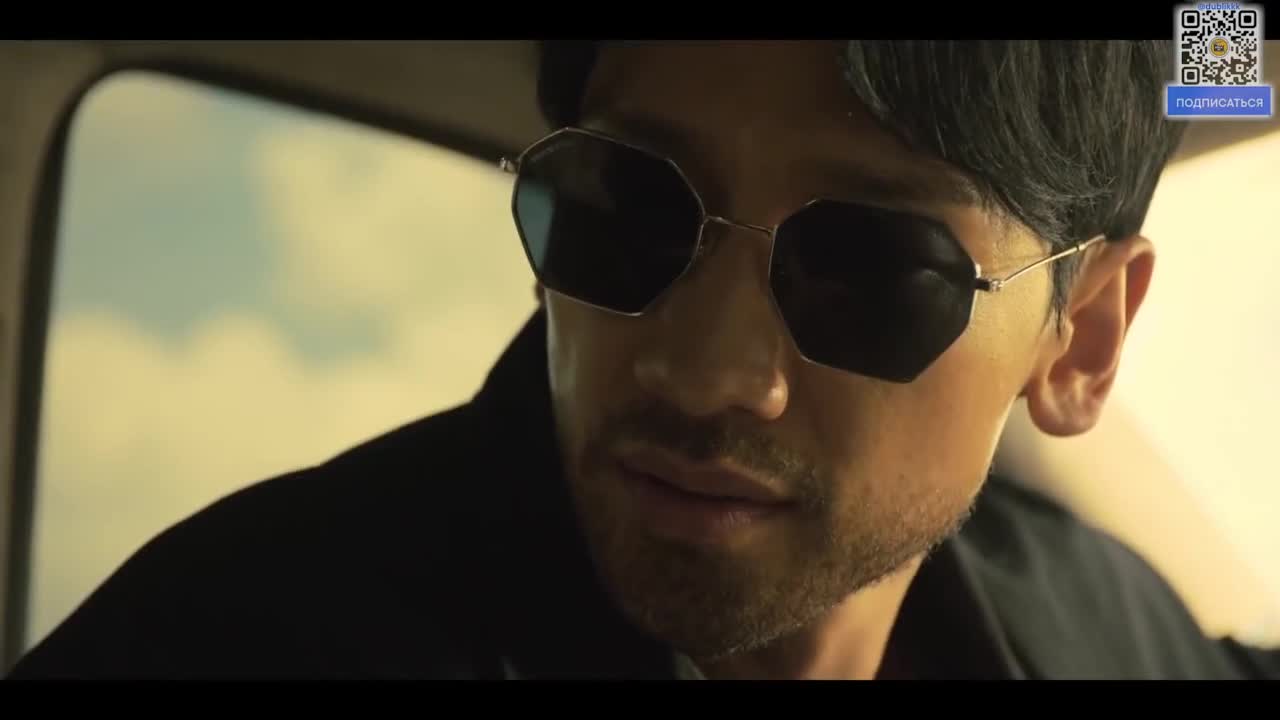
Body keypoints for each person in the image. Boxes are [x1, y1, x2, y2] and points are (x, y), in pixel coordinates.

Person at [7, 40, 1280, 680]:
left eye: (867, 269)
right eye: (625, 208)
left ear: (1080, 341)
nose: (704, 370)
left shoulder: (1091, 623)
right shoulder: (230, 641)